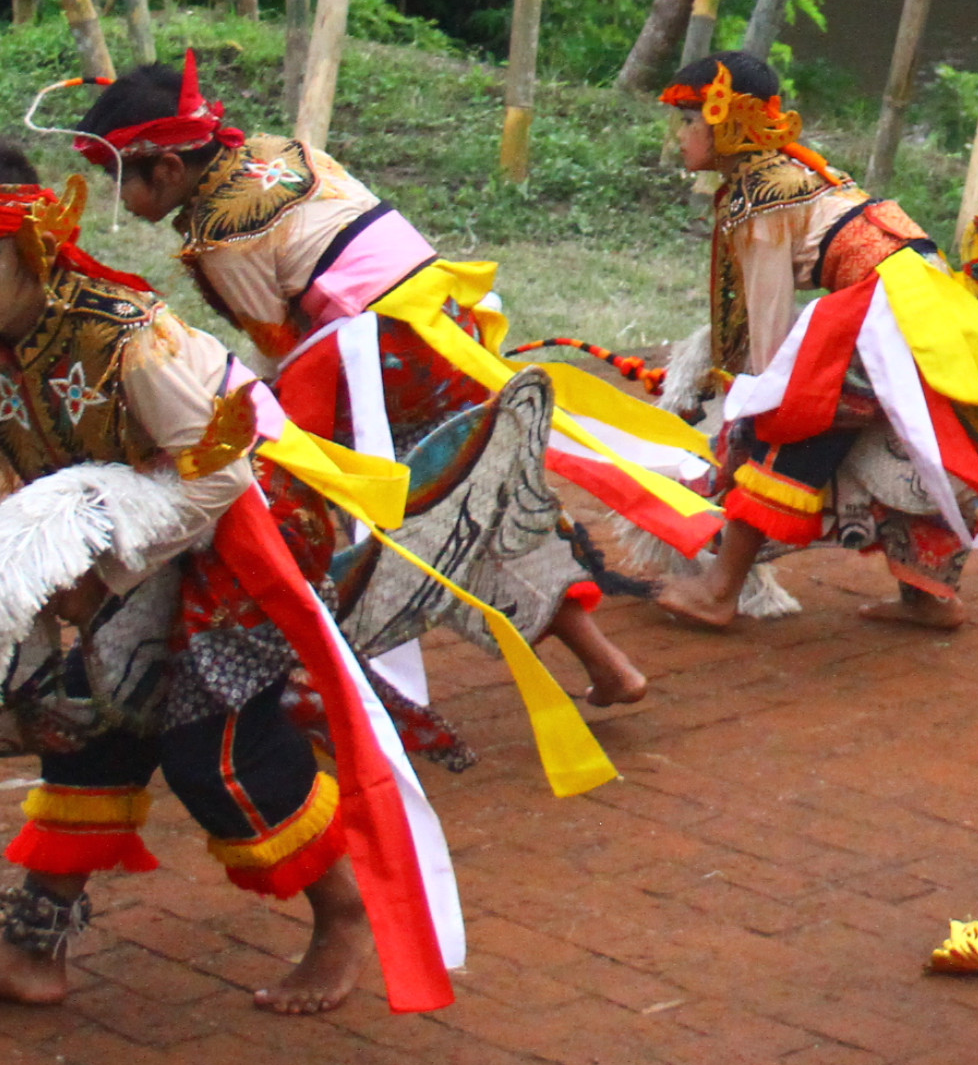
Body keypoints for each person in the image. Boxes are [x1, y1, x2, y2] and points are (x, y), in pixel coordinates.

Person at [0, 138, 396, 1014]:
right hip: (128, 556)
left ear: (34, 245)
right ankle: (31, 950)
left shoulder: (126, 335)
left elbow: (218, 476)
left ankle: (343, 918)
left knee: (213, 754)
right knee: (89, 729)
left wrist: (104, 572)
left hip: (242, 541)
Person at [72, 53, 651, 720]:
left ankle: (310, 678)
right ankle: (608, 664)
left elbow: (281, 350)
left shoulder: (222, 236)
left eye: (120, 182)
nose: (120, 198)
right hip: (443, 333)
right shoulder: (280, 151)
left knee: (283, 498)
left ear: (169, 169)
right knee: (458, 501)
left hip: (377, 365)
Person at [648, 51, 978, 632]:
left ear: (729, 123)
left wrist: (760, 395)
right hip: (925, 308)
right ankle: (929, 597)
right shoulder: (793, 174)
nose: (680, 135)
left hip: (890, 316)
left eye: (690, 120)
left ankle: (719, 591)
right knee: (910, 446)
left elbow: (767, 327)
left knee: (785, 421)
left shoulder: (764, 195)